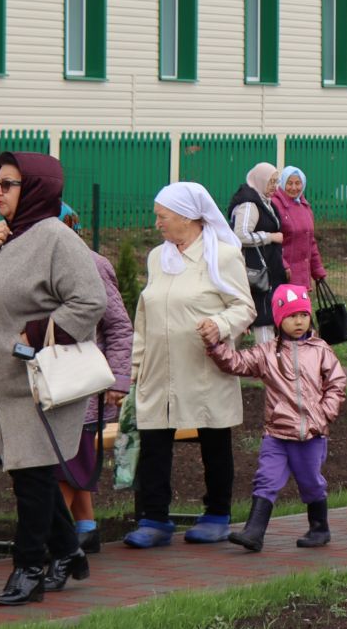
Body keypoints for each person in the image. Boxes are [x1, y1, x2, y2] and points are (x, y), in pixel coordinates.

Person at [0, 153, 106, 606]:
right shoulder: (3, 238)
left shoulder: (56, 238)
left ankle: (29, 568)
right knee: (27, 472)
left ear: (35, 187)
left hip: (40, 382)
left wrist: (35, 334)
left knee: (33, 478)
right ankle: (68, 550)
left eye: (9, 184)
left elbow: (90, 300)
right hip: (2, 382)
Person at [126, 182, 254, 547]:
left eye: (162, 216)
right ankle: (154, 518)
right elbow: (144, 317)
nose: (157, 224)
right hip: (158, 368)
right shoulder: (158, 257)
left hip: (203, 367)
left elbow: (244, 307)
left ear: (187, 217)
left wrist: (221, 325)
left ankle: (217, 514)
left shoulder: (223, 256)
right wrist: (134, 369)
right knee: (154, 440)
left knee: (214, 437)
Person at [202, 282, 347, 551]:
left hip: (310, 435)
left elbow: (336, 384)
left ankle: (319, 528)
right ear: (279, 319)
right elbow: (237, 363)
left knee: (311, 482)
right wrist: (215, 347)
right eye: (292, 316)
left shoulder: (321, 350)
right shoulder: (266, 352)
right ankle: (254, 532)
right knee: (266, 479)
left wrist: (325, 413)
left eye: (303, 315)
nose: (299, 321)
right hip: (277, 435)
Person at [57, 204, 131, 554]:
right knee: (69, 459)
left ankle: (49, 533)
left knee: (69, 461)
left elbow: (117, 325)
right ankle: (85, 528)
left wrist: (118, 379)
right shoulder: (33, 266)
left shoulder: (93, 266)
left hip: (81, 385)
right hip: (48, 384)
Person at [227, 162, 289, 346]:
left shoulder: (263, 201)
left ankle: (232, 360)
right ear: (260, 181)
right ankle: (264, 362)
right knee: (262, 317)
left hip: (266, 269)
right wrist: (271, 237)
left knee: (259, 316)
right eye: (271, 182)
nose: (274, 187)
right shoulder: (249, 204)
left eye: (276, 182)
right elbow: (240, 235)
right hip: (255, 273)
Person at [272, 165, 327, 294]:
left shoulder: (305, 206)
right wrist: (283, 266)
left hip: (303, 277)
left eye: (298, 183)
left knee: (301, 312)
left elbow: (310, 242)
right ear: (282, 183)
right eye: (289, 183)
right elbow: (272, 243)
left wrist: (317, 270)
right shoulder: (275, 205)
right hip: (284, 276)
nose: (294, 188)